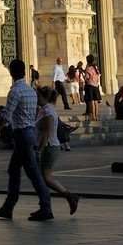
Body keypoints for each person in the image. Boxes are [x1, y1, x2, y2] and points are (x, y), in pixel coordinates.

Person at [0, 57, 54, 221]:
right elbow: (35, 111)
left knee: (33, 172)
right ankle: (8, 208)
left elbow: (5, 116)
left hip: (22, 135)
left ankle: (46, 207)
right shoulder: (31, 91)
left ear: (11, 72)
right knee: (14, 169)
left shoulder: (15, 91)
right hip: (30, 133)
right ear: (24, 72)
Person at [35, 86, 79, 215]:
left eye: (38, 96)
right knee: (43, 179)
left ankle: (70, 196)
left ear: (45, 98)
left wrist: (39, 150)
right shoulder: (44, 110)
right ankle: (44, 205)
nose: (36, 99)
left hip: (49, 147)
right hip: (47, 146)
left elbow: (47, 133)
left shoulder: (48, 112)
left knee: (46, 178)